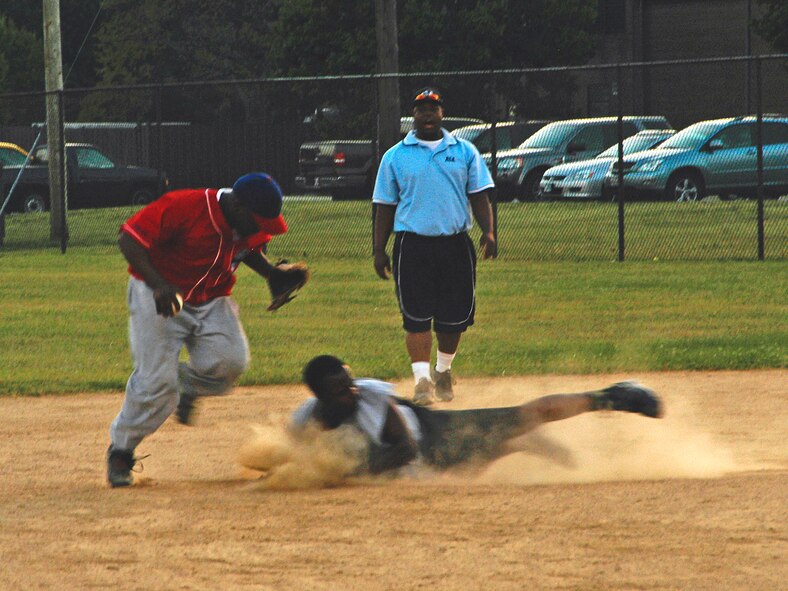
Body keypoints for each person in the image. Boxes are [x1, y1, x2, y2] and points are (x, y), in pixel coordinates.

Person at [107, 172, 293, 488]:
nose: (259, 227)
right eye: (257, 220)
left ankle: (185, 386)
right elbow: (129, 238)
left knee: (230, 362)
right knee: (154, 384)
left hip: (211, 297)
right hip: (160, 296)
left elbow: (247, 249)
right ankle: (121, 453)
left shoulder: (242, 220)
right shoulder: (184, 206)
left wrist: (272, 275)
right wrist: (159, 285)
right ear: (237, 205)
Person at [290, 355, 664, 476]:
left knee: (531, 414)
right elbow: (287, 453)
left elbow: (404, 448)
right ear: (320, 396)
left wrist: (348, 472)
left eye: (350, 381)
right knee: (478, 463)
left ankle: (615, 396)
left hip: (437, 434)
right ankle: (527, 445)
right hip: (430, 463)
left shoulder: (373, 398)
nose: (351, 390)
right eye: (341, 389)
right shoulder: (309, 416)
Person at [372, 86, 496, 406]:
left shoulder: (464, 151)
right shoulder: (396, 155)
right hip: (413, 245)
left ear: (442, 113)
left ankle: (443, 371)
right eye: (421, 109)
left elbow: (479, 195)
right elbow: (384, 205)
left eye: (433, 109)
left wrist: (489, 232)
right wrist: (378, 249)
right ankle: (422, 380)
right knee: (416, 316)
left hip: (455, 245)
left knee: (454, 318)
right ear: (413, 115)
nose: (427, 114)